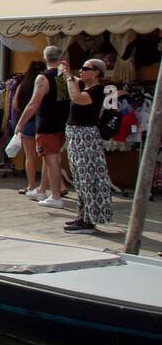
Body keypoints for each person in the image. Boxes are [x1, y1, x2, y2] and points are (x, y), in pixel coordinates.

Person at [60, 58, 116, 234]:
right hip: (77, 138)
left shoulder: (97, 91)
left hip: (86, 138)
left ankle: (89, 221)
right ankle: (83, 216)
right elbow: (75, 83)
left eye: (86, 68)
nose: (81, 71)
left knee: (87, 177)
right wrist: (68, 72)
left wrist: (69, 77)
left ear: (96, 73)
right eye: (81, 68)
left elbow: (76, 97)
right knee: (79, 178)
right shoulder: (88, 87)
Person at [14, 45, 70, 209]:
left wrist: (20, 124)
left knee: (51, 161)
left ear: (45, 58)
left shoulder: (43, 78)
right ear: (60, 58)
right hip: (62, 123)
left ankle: (55, 196)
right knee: (52, 159)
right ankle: (43, 190)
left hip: (47, 124)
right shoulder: (64, 77)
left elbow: (33, 104)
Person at [13, 61, 45, 197]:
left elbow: (15, 105)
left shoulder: (22, 85)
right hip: (42, 121)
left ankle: (31, 186)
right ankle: (48, 187)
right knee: (48, 158)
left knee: (29, 156)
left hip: (27, 122)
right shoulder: (45, 83)